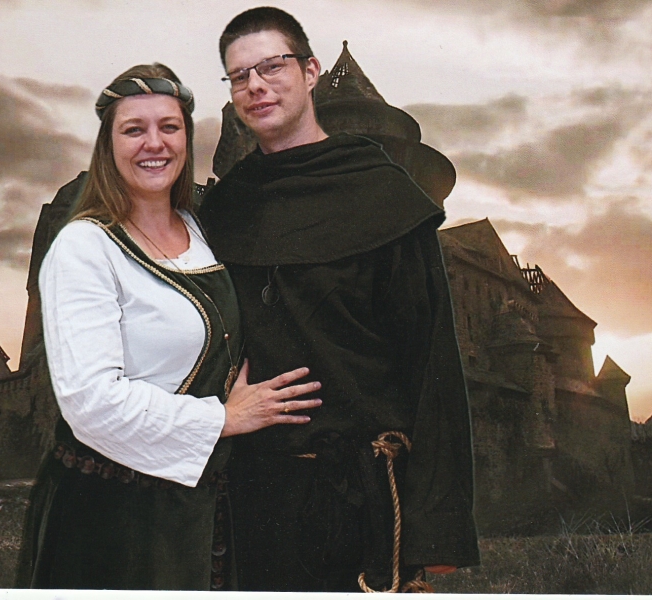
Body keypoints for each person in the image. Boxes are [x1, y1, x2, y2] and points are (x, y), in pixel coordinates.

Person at [198, 7, 481, 593]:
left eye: (272, 66)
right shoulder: (224, 209)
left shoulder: (384, 194)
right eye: (239, 75)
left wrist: (435, 532)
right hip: (245, 499)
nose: (256, 85)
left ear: (310, 72)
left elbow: (431, 359)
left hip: (359, 503)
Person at [14, 62, 322, 591]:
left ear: (187, 139)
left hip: (197, 506)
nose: (154, 144)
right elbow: (91, 402)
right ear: (108, 145)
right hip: (112, 515)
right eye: (134, 129)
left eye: (169, 127)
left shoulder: (205, 231)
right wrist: (223, 419)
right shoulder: (84, 247)